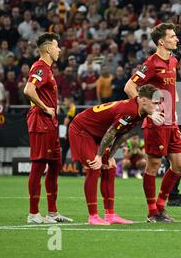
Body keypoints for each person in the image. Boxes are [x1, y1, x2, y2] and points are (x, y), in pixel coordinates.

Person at [68, 84, 163, 225]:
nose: (157, 107)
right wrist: (100, 156)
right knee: (94, 167)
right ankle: (93, 216)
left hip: (97, 134)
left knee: (110, 168)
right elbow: (111, 132)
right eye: (155, 103)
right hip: (82, 130)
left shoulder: (141, 112)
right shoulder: (129, 111)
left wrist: (111, 155)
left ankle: (110, 215)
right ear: (143, 100)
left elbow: (123, 134)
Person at [124, 22, 181, 223]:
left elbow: (169, 87)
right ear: (161, 41)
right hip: (156, 123)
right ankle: (153, 211)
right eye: (172, 36)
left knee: (179, 165)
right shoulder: (151, 64)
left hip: (172, 122)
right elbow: (130, 86)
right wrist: (147, 110)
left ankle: (161, 206)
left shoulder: (174, 61)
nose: (176, 39)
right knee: (153, 165)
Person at [23, 32, 72, 224]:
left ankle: (52, 213)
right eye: (57, 46)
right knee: (38, 165)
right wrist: (44, 107)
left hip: (50, 122)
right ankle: (33, 214)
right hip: (41, 121)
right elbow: (28, 90)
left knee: (54, 165)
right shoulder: (40, 67)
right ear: (48, 49)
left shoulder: (49, 69)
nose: (59, 49)